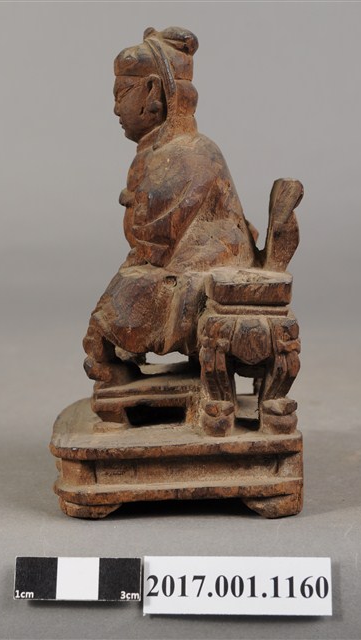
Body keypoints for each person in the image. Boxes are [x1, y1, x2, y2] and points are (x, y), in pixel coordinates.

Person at [83, 27, 258, 387]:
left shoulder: (188, 152)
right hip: (182, 265)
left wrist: (135, 205)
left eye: (121, 94)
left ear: (151, 91)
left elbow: (154, 241)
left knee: (126, 293)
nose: (115, 109)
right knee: (129, 284)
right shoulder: (161, 150)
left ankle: (112, 357)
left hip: (200, 270)